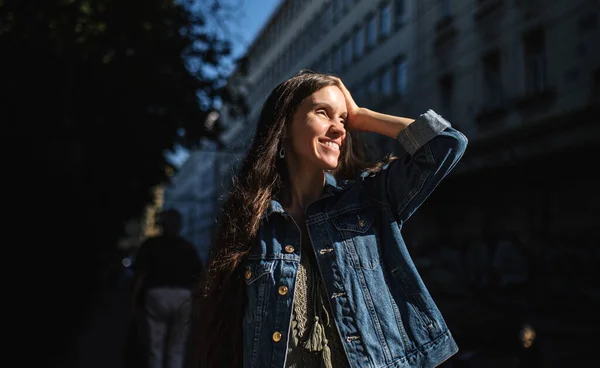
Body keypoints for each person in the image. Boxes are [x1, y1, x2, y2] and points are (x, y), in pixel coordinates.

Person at [188, 70, 468, 368]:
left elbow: (447, 144)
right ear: (283, 126)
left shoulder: (367, 200)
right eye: (323, 113)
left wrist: (362, 115)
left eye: (343, 121)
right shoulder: (254, 222)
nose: (339, 129)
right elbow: (228, 332)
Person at [131, 208, 204, 368]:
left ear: (161, 225)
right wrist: (197, 306)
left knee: (155, 348)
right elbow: (198, 278)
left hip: (155, 295)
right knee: (177, 349)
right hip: (183, 297)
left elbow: (140, 276)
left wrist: (134, 301)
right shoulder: (187, 248)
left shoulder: (150, 245)